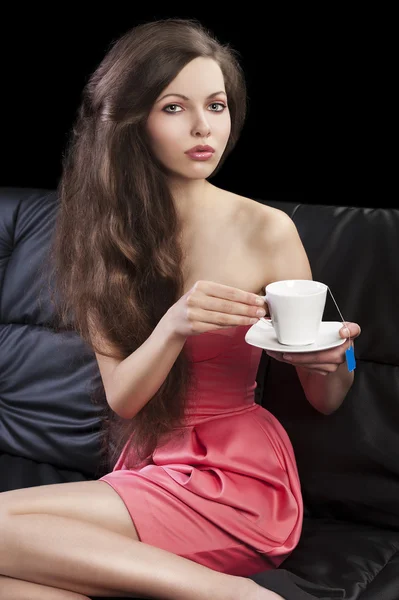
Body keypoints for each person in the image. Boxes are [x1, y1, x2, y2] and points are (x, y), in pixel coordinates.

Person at [0, 17, 361, 600]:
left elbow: (327, 395)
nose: (203, 127)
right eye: (174, 108)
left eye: (216, 106)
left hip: (241, 482)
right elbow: (124, 398)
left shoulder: (265, 228)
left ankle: (243, 596)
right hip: (149, 467)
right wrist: (174, 325)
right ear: (131, 121)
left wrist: (336, 360)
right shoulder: (103, 236)